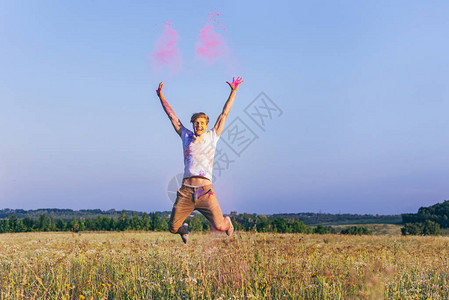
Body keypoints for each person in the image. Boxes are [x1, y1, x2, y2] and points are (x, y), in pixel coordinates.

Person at [156, 77, 244, 243]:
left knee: (219, 227)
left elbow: (224, 113)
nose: (199, 126)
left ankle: (227, 222)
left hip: (206, 192)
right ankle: (184, 228)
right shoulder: (186, 136)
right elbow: (172, 117)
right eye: (196, 123)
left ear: (207, 124)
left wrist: (233, 91)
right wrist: (161, 96)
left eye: (202, 123)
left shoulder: (212, 136)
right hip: (186, 192)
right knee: (173, 227)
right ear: (193, 124)